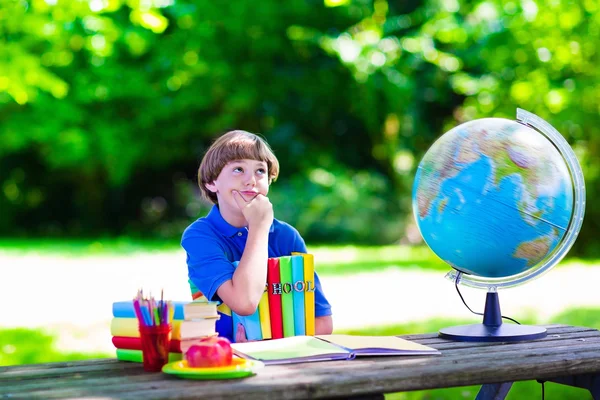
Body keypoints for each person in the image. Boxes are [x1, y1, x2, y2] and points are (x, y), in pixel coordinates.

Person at [181, 130, 333, 342]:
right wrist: (259, 227)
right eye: (238, 169)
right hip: (222, 360)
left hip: (286, 359)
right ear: (211, 182)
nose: (251, 180)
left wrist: (272, 346)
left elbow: (322, 322)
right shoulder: (200, 237)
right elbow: (244, 302)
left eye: (260, 171)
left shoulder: (287, 237)